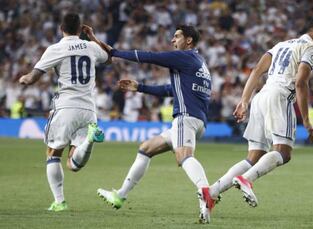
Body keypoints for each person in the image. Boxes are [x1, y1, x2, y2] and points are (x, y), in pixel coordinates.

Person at [83, 24, 215, 223]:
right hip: (197, 121)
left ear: (188, 40)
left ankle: (207, 194)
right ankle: (121, 195)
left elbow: (150, 56)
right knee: (146, 148)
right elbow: (172, 89)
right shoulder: (199, 62)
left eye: (177, 36)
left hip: (186, 118)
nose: (173, 40)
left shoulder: (185, 57)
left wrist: (115, 52)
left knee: (183, 156)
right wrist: (141, 87)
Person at [207, 15, 313, 207]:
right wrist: (306, 120)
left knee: (254, 157)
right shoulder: (312, 48)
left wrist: (245, 101)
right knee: (284, 153)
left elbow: (257, 70)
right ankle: (246, 180)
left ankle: (212, 191)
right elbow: (301, 82)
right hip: (280, 97)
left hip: (260, 97)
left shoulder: (281, 45)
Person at [19, 13, 109, 211]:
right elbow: (109, 58)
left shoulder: (56, 48)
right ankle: (88, 140)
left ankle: (59, 202)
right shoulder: (91, 47)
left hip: (66, 107)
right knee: (73, 164)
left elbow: (32, 78)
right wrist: (92, 37)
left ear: (61, 29)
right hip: (88, 108)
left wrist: (23, 78)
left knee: (53, 154)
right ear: (80, 29)